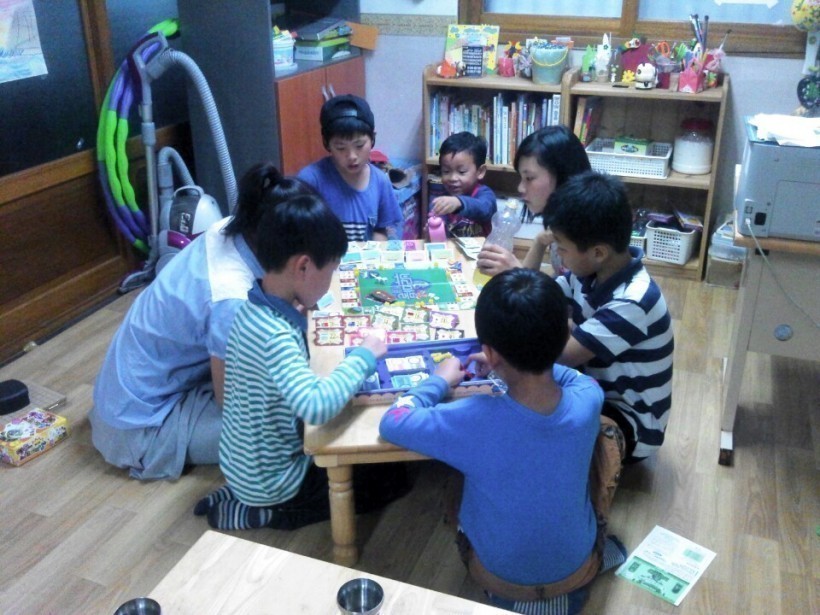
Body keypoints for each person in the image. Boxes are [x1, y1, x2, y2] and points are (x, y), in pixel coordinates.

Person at [379, 268, 626, 615]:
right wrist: (514, 362)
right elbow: (574, 379)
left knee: (452, 478)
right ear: (563, 337)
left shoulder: (471, 418)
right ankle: (576, 579)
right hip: (577, 565)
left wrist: (439, 381)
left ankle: (518, 600)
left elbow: (392, 421)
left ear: (489, 353)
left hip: (498, 577)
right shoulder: (588, 396)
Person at [194, 193, 407, 530]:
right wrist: (364, 355)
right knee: (392, 480)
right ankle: (267, 513)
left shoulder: (251, 309)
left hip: (241, 464)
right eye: (330, 271)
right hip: (276, 483)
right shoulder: (275, 336)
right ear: (304, 267)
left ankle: (238, 493)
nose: (330, 281)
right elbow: (316, 407)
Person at [90, 163, 315, 480]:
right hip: (140, 427)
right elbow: (232, 404)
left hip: (127, 394)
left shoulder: (230, 228)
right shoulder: (231, 299)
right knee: (298, 426)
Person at [549, 171, 674, 462]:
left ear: (598, 252)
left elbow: (562, 356)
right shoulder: (587, 272)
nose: (558, 254)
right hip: (594, 387)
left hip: (631, 423)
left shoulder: (633, 300)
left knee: (531, 395)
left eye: (562, 248)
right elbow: (546, 297)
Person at [476, 125, 590, 276]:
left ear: (563, 176)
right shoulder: (560, 222)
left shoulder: (585, 234)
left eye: (529, 178)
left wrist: (516, 272)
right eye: (521, 178)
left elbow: (567, 292)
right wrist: (539, 241)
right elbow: (561, 284)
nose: (520, 188)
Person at [297, 94, 403, 241]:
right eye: (341, 148)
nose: (352, 156)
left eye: (359, 145)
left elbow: (381, 230)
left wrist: (377, 251)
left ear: (373, 138)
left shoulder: (380, 181)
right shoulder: (310, 181)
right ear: (326, 143)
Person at [428, 131, 497, 237]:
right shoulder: (440, 196)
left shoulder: (485, 194)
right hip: (450, 247)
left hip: (481, 247)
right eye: (446, 171)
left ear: (480, 172)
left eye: (461, 172)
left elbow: (485, 209)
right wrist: (433, 230)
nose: (452, 178)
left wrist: (459, 203)